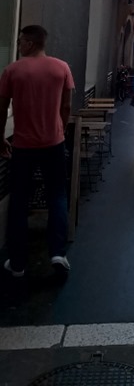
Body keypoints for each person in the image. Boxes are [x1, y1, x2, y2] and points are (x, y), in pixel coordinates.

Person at [0, 25, 74, 278]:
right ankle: (57, 253)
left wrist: (0, 137)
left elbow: (2, 108)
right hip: (54, 143)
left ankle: (18, 263)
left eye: (21, 41)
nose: (19, 44)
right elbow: (66, 106)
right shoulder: (61, 68)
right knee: (57, 195)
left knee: (19, 200)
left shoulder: (12, 70)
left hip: (23, 145)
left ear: (30, 43)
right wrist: (60, 129)